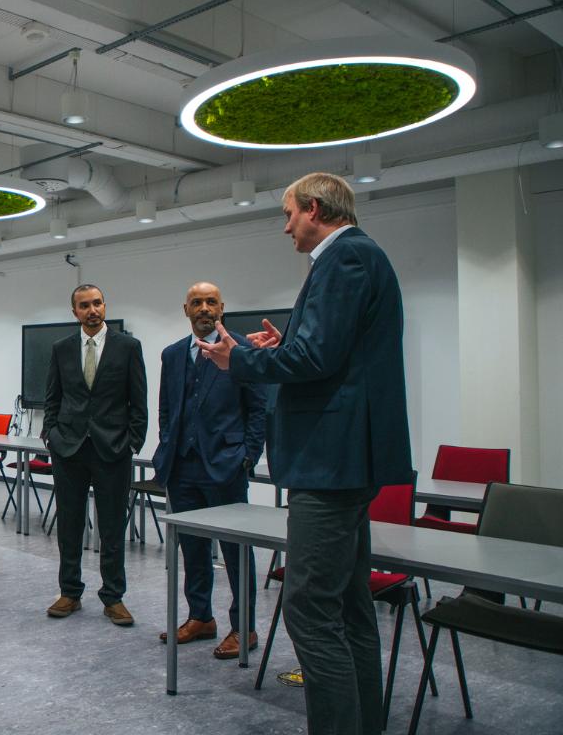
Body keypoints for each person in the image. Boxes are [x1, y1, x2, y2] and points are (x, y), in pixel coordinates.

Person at [198, 173, 412, 735]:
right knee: (347, 607)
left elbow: (317, 359)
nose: (286, 224)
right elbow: (329, 353)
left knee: (310, 611)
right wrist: (284, 345)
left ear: (315, 209)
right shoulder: (361, 259)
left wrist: (238, 360)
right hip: (344, 460)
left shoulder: (343, 260)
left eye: (289, 213)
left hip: (332, 462)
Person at [152, 282, 266, 659]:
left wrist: (247, 456)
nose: (204, 308)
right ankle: (200, 616)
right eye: (197, 302)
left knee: (235, 551)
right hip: (182, 468)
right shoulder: (172, 355)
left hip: (225, 466)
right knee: (192, 548)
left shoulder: (243, 351)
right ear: (186, 309)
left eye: (211, 302)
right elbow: (167, 409)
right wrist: (167, 445)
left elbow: (258, 409)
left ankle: (243, 626)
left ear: (222, 308)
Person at [42, 284, 148, 626]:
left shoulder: (127, 347)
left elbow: (139, 400)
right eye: (85, 305)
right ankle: (70, 592)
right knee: (69, 524)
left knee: (113, 525)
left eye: (98, 303)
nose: (93, 310)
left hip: (113, 448)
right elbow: (52, 398)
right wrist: (51, 435)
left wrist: (133, 441)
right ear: (75, 312)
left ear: (105, 306)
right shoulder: (61, 349)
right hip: (69, 448)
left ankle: (113, 596)